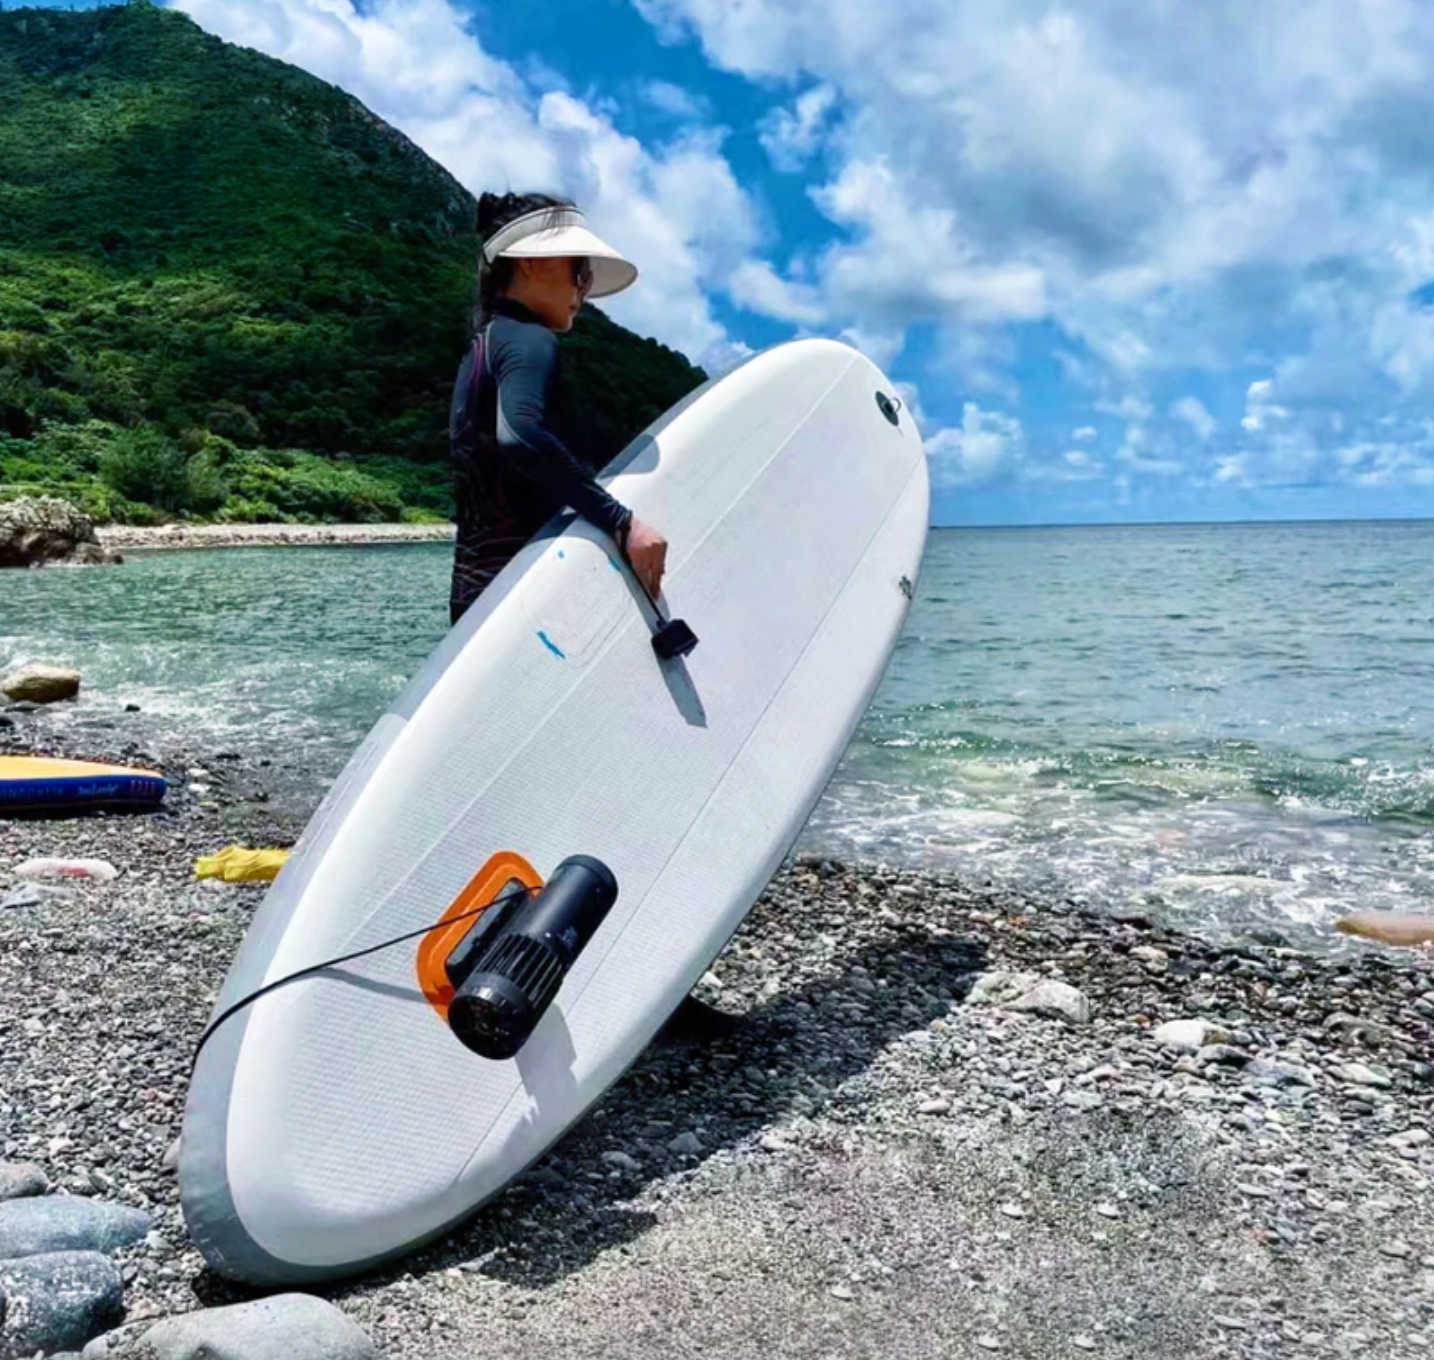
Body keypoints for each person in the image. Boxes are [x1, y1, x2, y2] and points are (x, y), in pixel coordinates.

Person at [447, 192, 668, 625]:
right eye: (578, 271)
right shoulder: (530, 340)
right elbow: (522, 434)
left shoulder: (485, 345)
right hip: (525, 592)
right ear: (529, 262)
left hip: (474, 595)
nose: (582, 290)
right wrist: (622, 522)